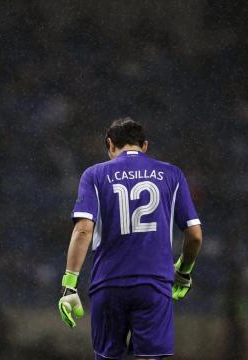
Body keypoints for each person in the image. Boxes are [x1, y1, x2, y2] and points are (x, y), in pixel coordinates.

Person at [58, 118, 203, 359]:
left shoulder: (94, 175)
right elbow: (195, 236)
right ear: (144, 146)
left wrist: (69, 284)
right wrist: (184, 271)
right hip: (153, 285)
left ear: (109, 144)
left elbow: (83, 230)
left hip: (108, 284)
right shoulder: (171, 174)